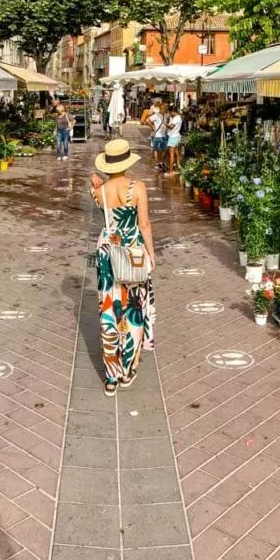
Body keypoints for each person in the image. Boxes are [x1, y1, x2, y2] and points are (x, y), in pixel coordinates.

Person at [91, 139, 156, 396]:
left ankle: (111, 378)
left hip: (108, 250)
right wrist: (151, 254)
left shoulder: (99, 191)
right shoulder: (137, 187)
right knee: (133, 308)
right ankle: (128, 369)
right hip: (132, 250)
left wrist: (93, 180)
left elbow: (95, 189)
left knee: (109, 310)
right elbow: (145, 224)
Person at [144, 104, 167, 170]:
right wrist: (153, 127)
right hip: (157, 135)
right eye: (163, 108)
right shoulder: (156, 115)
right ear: (160, 109)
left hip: (163, 135)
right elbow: (147, 120)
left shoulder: (165, 115)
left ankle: (160, 162)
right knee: (157, 150)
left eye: (165, 108)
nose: (164, 109)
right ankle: (157, 164)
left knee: (162, 150)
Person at [165, 104, 183, 176]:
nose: (169, 114)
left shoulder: (176, 118)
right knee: (177, 154)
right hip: (176, 136)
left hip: (173, 137)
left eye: (170, 113)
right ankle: (177, 168)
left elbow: (171, 126)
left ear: (172, 111)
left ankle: (171, 171)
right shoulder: (177, 117)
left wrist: (165, 124)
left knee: (171, 155)